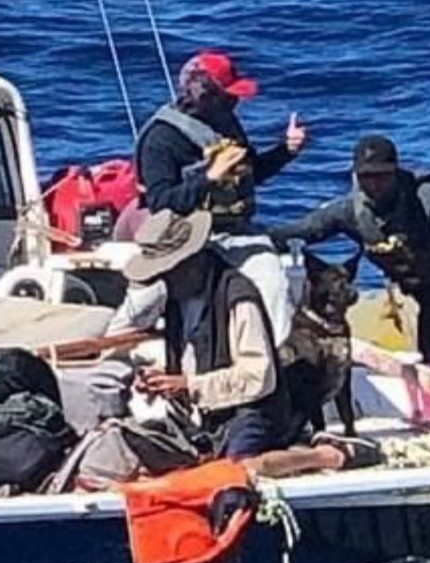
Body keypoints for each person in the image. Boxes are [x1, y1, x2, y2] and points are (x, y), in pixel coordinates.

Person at [123, 209, 379, 478]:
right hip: (207, 414)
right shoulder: (178, 300)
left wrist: (190, 385)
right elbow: (193, 359)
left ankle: (327, 456)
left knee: (237, 469)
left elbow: (260, 377)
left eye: (169, 272)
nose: (165, 281)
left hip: (255, 411)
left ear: (191, 261)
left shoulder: (238, 297)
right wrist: (164, 379)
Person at [108, 50, 307, 346]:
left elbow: (251, 175)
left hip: (236, 233)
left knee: (274, 287)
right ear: (203, 95)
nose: (234, 103)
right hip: (181, 241)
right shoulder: (160, 140)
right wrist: (209, 177)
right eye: (227, 97)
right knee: (171, 303)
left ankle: (273, 364)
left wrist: (286, 151)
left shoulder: (227, 125)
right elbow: (162, 202)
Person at [267, 135, 430, 377]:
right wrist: (243, 236)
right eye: (366, 177)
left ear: (395, 172)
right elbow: (297, 233)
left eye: (382, 176)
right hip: (428, 296)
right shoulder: (349, 211)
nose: (374, 185)